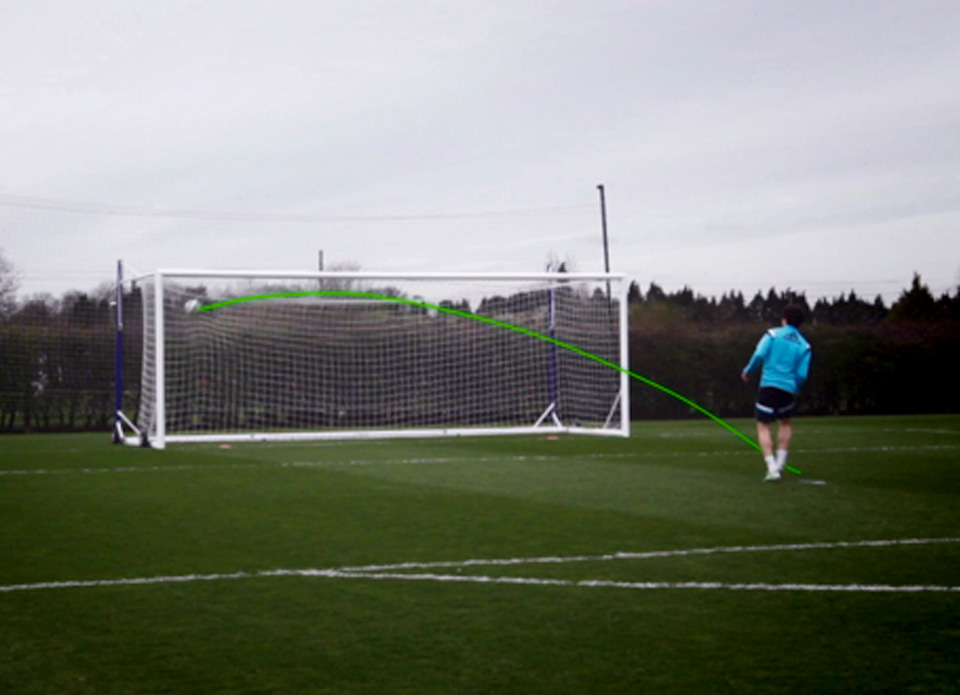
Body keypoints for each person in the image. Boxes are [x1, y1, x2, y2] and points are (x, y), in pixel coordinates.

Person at [741, 304, 812, 481]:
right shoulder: (804, 345)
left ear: (784, 319)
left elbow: (759, 355)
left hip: (769, 386)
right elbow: (802, 374)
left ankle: (772, 467)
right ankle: (780, 465)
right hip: (788, 389)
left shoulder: (772, 334)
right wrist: (794, 386)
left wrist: (748, 371)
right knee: (785, 423)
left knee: (763, 425)